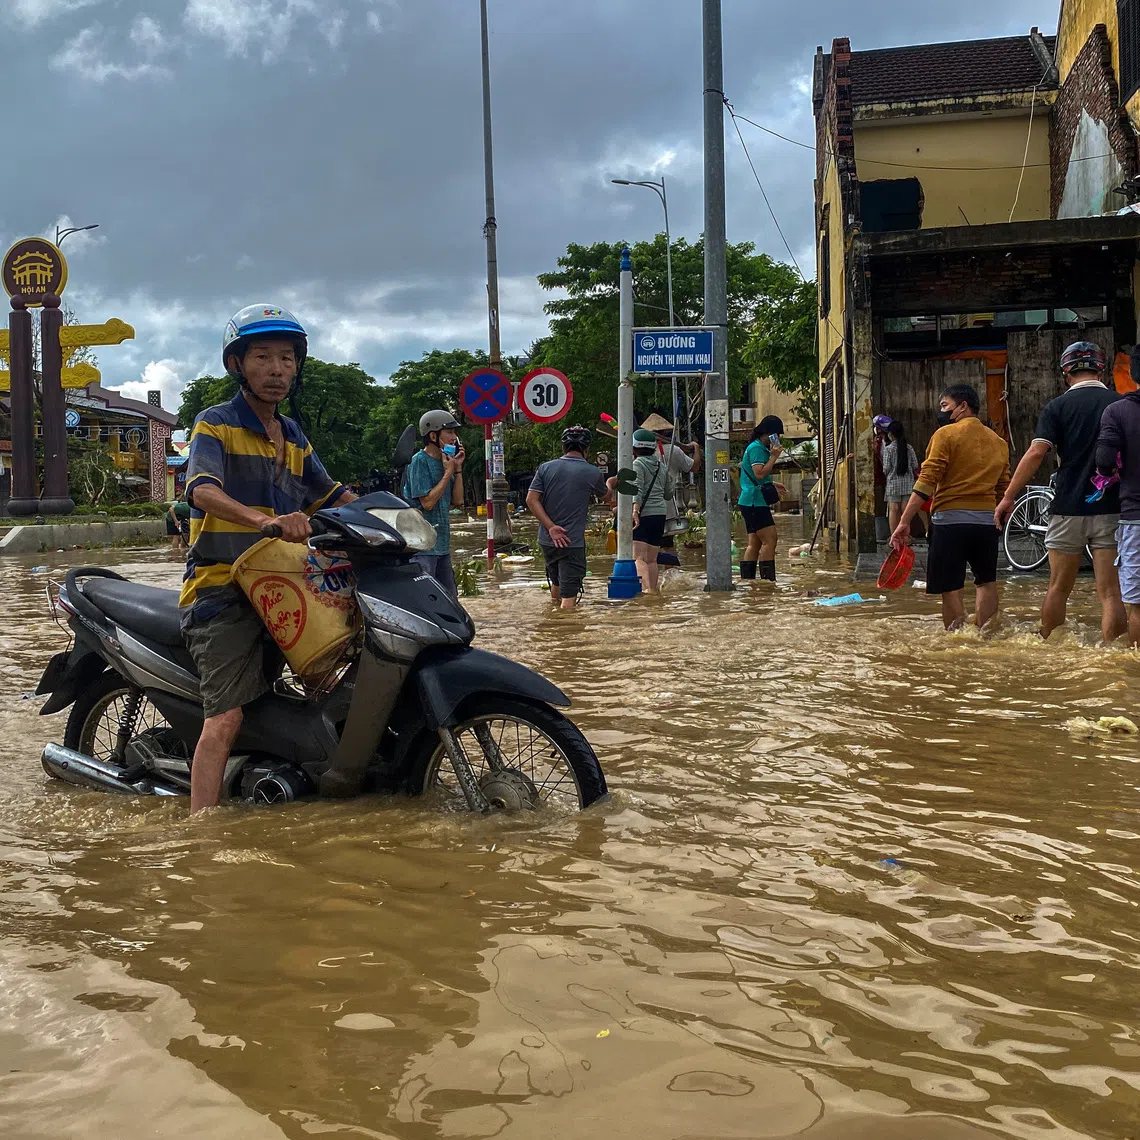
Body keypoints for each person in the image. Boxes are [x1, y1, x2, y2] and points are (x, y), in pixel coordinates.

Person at [180, 304, 356, 813]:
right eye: (263, 357)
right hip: (222, 590)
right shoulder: (214, 424)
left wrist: (393, 520)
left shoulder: (295, 436)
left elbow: (330, 494)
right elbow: (202, 489)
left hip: (284, 584)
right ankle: (202, 830)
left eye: (287, 358)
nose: (277, 369)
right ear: (237, 364)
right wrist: (262, 520)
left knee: (332, 674)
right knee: (226, 718)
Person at [994, 341, 1125, 643]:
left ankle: (1049, 649)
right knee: (1110, 592)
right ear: (1101, 369)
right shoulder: (1118, 404)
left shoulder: (1057, 407)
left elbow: (1036, 453)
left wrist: (1008, 497)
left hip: (1067, 508)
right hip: (1111, 509)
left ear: (1066, 373)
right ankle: (1113, 657)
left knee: (1058, 587)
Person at [890, 384, 1010, 631]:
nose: (942, 411)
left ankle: (957, 642)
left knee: (951, 588)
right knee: (986, 582)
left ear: (962, 406)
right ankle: (985, 639)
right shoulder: (999, 442)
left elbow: (926, 481)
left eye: (945, 406)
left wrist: (904, 521)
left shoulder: (945, 435)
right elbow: (1003, 489)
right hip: (986, 524)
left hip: (949, 524)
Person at [526, 425, 615, 608]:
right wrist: (611, 482)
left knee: (556, 583)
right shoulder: (592, 472)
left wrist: (551, 527)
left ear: (563, 447)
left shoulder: (545, 468)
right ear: (586, 449)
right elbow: (607, 497)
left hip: (547, 540)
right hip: (571, 542)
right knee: (569, 596)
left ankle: (552, 620)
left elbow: (531, 500)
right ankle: (565, 633)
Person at [1095, 344, 1140, 647]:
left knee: (1137, 606)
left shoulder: (1118, 411)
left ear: (1133, 372)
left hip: (1136, 518)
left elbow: (1104, 461)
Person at [402, 410, 465, 596]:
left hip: (442, 544)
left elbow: (458, 500)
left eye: (455, 433)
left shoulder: (447, 462)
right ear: (433, 435)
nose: (454, 438)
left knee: (451, 598)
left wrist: (458, 469)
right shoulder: (419, 462)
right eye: (450, 432)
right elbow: (428, 503)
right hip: (423, 547)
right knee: (428, 598)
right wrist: (447, 473)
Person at [738, 416, 785, 582]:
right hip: (754, 502)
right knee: (770, 539)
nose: (776, 439)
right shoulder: (757, 449)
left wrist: (773, 484)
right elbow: (759, 473)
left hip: (750, 500)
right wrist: (774, 457)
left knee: (755, 542)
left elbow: (757, 476)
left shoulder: (757, 448)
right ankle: (767, 583)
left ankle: (748, 581)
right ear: (767, 434)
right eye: (775, 435)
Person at [630, 427, 674, 593]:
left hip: (643, 514)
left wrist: (635, 511)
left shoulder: (637, 464)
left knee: (638, 558)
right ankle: (654, 592)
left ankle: (647, 592)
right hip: (660, 514)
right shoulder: (661, 466)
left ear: (634, 448)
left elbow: (637, 489)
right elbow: (669, 493)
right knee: (652, 560)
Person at [882, 420, 920, 535]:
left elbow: (886, 468)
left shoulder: (888, 449)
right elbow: (915, 465)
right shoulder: (909, 448)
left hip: (893, 485)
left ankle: (894, 538)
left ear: (891, 434)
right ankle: (905, 538)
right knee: (905, 513)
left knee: (894, 511)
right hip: (908, 484)